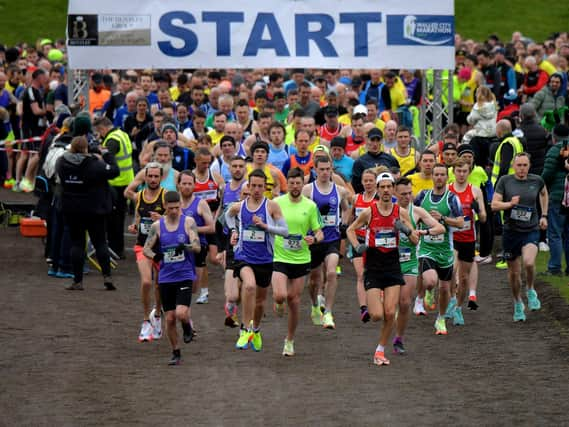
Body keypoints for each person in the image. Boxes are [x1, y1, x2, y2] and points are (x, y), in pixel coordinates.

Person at [346, 172, 420, 366]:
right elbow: (350, 229)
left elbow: (415, 240)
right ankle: (377, 297)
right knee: (376, 315)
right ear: (378, 190)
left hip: (393, 265)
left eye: (389, 187)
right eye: (383, 187)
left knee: (389, 312)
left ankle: (380, 350)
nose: (386, 190)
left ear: (393, 189)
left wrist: (404, 229)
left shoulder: (400, 212)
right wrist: (356, 246)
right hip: (373, 264)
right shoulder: (369, 212)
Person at [225, 169, 289, 351]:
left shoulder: (272, 207)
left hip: (265, 259)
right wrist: (234, 231)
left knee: (260, 301)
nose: (256, 189)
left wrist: (265, 226)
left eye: (260, 186)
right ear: (248, 186)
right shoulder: (239, 206)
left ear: (265, 187)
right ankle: (245, 329)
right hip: (244, 256)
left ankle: (256, 329)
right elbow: (227, 216)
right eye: (253, 186)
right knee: (249, 286)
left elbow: (285, 231)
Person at [142, 191, 201, 365]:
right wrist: (156, 256)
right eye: (171, 208)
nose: (175, 211)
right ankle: (176, 352)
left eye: (177, 207)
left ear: (180, 206)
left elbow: (197, 247)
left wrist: (187, 246)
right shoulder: (158, 226)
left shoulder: (188, 222)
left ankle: (187, 327)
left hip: (184, 275)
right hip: (166, 277)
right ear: (166, 207)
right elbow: (146, 248)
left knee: (181, 313)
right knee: (169, 318)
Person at [56, 136, 119, 290]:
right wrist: (106, 154)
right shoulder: (94, 165)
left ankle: (77, 281)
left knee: (77, 244)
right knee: (100, 243)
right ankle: (107, 277)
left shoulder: (61, 162)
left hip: (72, 209)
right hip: (94, 210)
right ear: (86, 148)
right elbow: (114, 171)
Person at [272, 168, 324, 356]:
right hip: (280, 256)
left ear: (303, 184)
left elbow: (320, 231)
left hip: (301, 259)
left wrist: (315, 239)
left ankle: (289, 340)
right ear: (287, 183)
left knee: (294, 300)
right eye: (291, 183)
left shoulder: (310, 206)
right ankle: (278, 303)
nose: (295, 186)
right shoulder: (276, 203)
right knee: (279, 295)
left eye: (298, 183)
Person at [491, 153, 548, 321]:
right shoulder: (505, 181)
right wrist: (509, 204)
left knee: (529, 263)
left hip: (531, 229)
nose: (522, 169)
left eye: (524, 165)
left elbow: (544, 193)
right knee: (514, 274)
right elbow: (494, 205)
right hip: (511, 232)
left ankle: (530, 289)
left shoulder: (536, 180)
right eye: (519, 165)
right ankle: (517, 302)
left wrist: (544, 215)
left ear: (529, 166)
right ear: (513, 166)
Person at [394, 177, 445, 352]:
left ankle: (399, 339)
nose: (407, 197)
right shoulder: (388, 211)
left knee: (405, 303)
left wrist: (424, 231)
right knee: (389, 304)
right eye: (403, 194)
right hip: (389, 261)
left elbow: (441, 228)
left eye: (410, 193)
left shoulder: (417, 211)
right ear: (395, 193)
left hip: (410, 261)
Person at [415, 164, 464, 335]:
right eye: (436, 174)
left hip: (445, 250)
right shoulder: (422, 196)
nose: (439, 177)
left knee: (444, 289)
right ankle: (428, 291)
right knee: (429, 281)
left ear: (447, 177)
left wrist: (442, 218)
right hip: (426, 248)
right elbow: (412, 214)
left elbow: (460, 222)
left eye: (442, 174)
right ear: (432, 176)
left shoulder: (452, 199)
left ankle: (441, 318)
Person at [302, 156, 350, 329]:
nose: (324, 172)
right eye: (321, 169)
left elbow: (346, 209)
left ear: (331, 170)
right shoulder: (307, 190)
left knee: (331, 273)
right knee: (314, 281)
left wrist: (343, 224)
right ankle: (315, 305)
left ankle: (328, 312)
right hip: (314, 240)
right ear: (315, 169)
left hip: (332, 238)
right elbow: (301, 212)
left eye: (327, 169)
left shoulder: (339, 191)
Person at [127, 162, 165, 342]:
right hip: (143, 246)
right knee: (147, 281)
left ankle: (157, 314)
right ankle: (145, 321)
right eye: (150, 176)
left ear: (161, 177)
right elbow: (138, 217)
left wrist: (163, 219)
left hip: (162, 247)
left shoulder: (166, 197)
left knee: (159, 284)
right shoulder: (139, 196)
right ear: (145, 177)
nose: (152, 179)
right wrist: (134, 226)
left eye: (156, 176)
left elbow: (177, 219)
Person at [447, 159, 487, 325]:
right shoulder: (448, 191)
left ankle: (457, 307)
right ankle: (450, 299)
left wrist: (477, 209)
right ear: (454, 172)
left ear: (469, 172)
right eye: (458, 171)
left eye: (464, 171)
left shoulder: (475, 191)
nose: (461, 174)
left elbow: (484, 218)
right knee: (452, 270)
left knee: (463, 278)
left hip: (468, 239)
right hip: (451, 238)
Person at [93, 116, 135, 259]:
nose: (100, 135)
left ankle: (115, 249)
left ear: (102, 128)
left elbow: (105, 157)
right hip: (126, 181)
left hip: (116, 183)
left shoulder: (112, 140)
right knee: (119, 218)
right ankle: (118, 249)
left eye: (99, 132)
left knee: (113, 220)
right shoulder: (122, 134)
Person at [217, 156, 248, 327]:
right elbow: (218, 226)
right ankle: (231, 305)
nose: (247, 197)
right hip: (231, 251)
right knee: (232, 295)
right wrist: (221, 249)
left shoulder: (258, 210)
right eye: (244, 194)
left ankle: (242, 318)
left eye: (249, 194)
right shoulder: (233, 209)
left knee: (246, 288)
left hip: (251, 255)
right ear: (239, 195)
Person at [178, 170, 216, 308]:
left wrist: (191, 229)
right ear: (178, 185)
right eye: (184, 183)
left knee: (193, 288)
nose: (187, 186)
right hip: (178, 246)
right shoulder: (174, 203)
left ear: (194, 186)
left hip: (197, 247)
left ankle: (202, 292)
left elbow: (211, 228)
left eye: (190, 184)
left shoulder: (201, 204)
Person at [349, 168, 378, 322]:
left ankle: (376, 302)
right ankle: (363, 308)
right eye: (365, 181)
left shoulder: (380, 200)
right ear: (361, 182)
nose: (368, 183)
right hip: (359, 241)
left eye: (371, 181)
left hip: (374, 242)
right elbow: (350, 216)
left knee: (375, 274)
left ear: (376, 182)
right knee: (361, 275)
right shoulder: (356, 198)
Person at [542, 125, 569, 276]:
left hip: (558, 197)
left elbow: (547, 175)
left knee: (555, 233)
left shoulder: (554, 150)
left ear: (554, 136)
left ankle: (554, 268)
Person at [351, 128, 399, 193]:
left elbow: (397, 180)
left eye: (378, 140)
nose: (375, 144)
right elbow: (356, 186)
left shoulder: (391, 159)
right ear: (367, 140)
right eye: (372, 140)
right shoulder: (359, 162)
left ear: (382, 141)